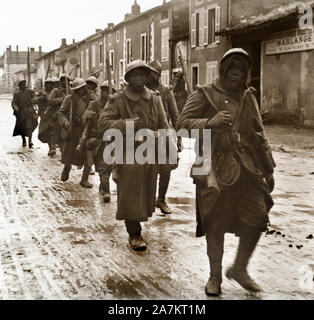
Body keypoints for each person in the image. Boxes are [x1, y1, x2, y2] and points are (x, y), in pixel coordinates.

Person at [177, 48, 276, 296]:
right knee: (216, 223)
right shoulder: (204, 95)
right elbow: (181, 126)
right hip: (214, 167)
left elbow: (260, 134)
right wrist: (209, 123)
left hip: (248, 168)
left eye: (241, 70)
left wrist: (268, 168)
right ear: (224, 70)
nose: (236, 74)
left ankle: (240, 268)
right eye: (232, 69)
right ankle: (214, 276)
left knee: (258, 217)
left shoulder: (249, 96)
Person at [98, 60, 170, 251]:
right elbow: (103, 124)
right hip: (126, 152)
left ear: (147, 77)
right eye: (134, 75)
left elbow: (164, 124)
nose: (139, 79)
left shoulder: (155, 98)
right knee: (130, 193)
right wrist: (126, 124)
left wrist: (168, 145)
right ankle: (134, 233)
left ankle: (137, 225)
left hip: (150, 151)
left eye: (142, 75)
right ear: (128, 78)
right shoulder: (117, 99)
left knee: (145, 192)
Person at [147, 60, 180, 215]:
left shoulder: (166, 91)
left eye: (152, 73)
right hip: (145, 136)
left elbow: (175, 115)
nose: (149, 76)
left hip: (163, 134)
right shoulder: (142, 90)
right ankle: (147, 200)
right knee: (146, 169)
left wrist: (178, 138)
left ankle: (161, 199)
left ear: (157, 75)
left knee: (166, 168)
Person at [83, 80, 116, 202]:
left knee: (111, 167)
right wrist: (87, 116)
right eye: (104, 91)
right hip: (98, 140)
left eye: (109, 91)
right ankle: (106, 190)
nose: (106, 94)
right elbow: (84, 121)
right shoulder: (94, 104)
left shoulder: (116, 105)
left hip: (113, 139)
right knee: (103, 166)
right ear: (101, 91)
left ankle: (104, 186)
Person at [58, 78, 93, 187]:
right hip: (73, 130)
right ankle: (66, 169)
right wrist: (65, 122)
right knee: (69, 153)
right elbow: (60, 113)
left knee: (88, 154)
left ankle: (84, 179)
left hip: (88, 130)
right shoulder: (69, 99)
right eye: (78, 89)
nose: (81, 91)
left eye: (82, 88)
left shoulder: (91, 99)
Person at [47, 74, 71, 155]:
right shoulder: (56, 91)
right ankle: (52, 147)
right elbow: (50, 101)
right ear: (60, 82)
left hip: (69, 113)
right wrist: (62, 99)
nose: (64, 82)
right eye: (62, 80)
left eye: (66, 80)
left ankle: (65, 150)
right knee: (55, 131)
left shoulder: (71, 91)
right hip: (57, 113)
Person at [12, 80, 38, 148]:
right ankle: (23, 140)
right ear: (19, 85)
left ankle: (30, 141)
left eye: (24, 84)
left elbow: (35, 97)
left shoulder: (30, 91)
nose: (24, 85)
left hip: (29, 112)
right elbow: (14, 102)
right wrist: (16, 108)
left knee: (29, 126)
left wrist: (35, 99)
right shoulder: (17, 93)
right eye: (22, 84)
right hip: (21, 112)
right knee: (21, 127)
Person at [33, 78, 55, 156]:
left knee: (52, 132)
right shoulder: (41, 93)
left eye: (50, 84)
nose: (48, 86)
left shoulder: (55, 92)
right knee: (44, 134)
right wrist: (40, 98)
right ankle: (50, 147)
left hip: (53, 116)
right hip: (44, 117)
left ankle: (53, 148)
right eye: (47, 84)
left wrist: (48, 98)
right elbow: (33, 100)